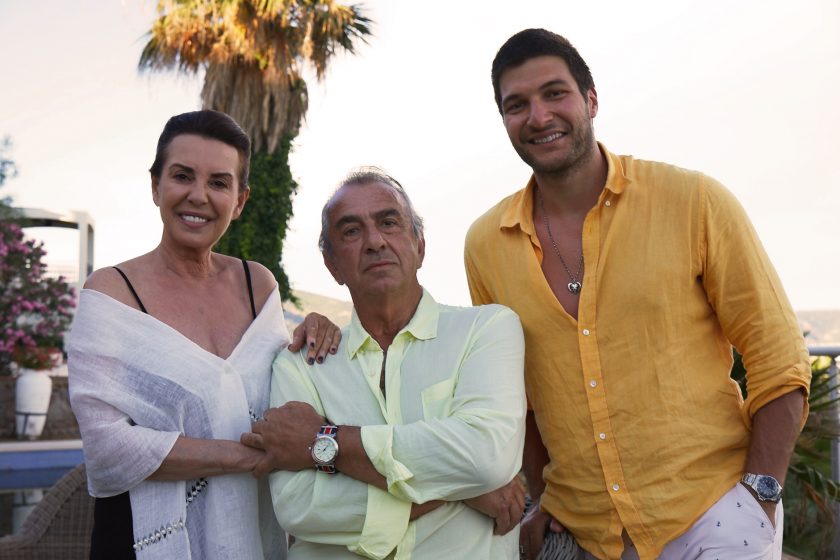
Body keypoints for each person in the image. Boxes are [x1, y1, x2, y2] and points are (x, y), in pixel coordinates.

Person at [464, 29, 811, 560]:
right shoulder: (486, 245)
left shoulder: (693, 201)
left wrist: (758, 498)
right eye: (517, 105)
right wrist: (542, 499)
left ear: (591, 100)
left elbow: (779, 359)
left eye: (555, 93)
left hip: (714, 515)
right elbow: (519, 398)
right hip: (585, 534)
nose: (538, 116)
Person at [67, 109, 341, 560]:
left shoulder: (258, 286)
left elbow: (285, 389)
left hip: (253, 536)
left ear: (239, 201)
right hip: (139, 541)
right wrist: (250, 457)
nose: (198, 195)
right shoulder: (112, 293)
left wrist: (317, 333)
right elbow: (107, 449)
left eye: (218, 182)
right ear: (155, 186)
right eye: (182, 176)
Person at [240, 168, 528, 558]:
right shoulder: (301, 364)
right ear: (332, 265)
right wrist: (463, 491)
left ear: (419, 245)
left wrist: (321, 440)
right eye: (351, 231)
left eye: (389, 223)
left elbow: (485, 457)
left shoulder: (487, 330)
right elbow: (299, 506)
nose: (375, 242)